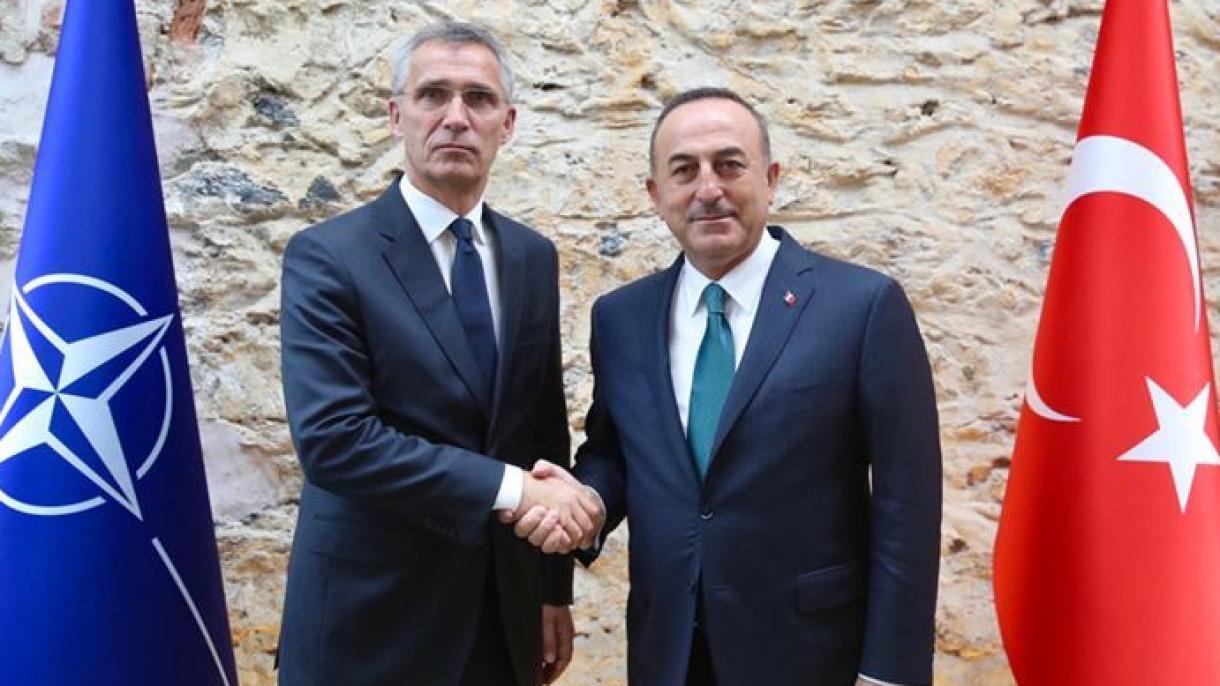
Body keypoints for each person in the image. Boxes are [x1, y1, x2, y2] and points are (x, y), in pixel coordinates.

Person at [511, 87, 942, 685]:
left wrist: (890, 674)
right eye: (684, 170)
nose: (708, 188)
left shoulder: (862, 306)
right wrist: (589, 502)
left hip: (811, 656)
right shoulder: (621, 317)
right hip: (669, 653)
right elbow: (616, 453)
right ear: (656, 195)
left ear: (770, 179)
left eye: (729, 164)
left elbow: (908, 506)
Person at [277, 21, 602, 686]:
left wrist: (550, 589)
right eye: (433, 95)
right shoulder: (329, 256)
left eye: (478, 99)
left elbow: (540, 428)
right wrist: (512, 488)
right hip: (370, 624)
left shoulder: (532, 257)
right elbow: (336, 440)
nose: (456, 116)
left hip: (500, 619)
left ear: (507, 124)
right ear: (397, 115)